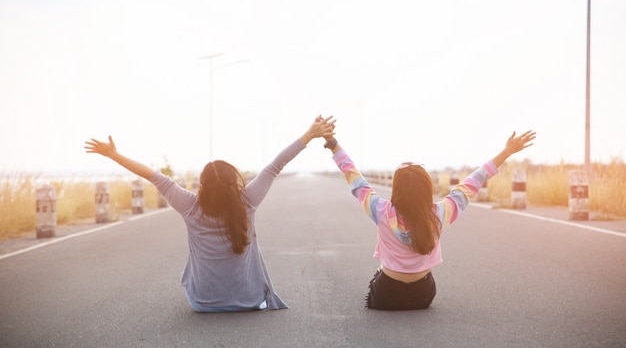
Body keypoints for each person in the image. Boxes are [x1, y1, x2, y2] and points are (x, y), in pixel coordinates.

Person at [84, 116, 335, 312]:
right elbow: (275, 166)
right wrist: (310, 135)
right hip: (249, 303)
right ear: (235, 183)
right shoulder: (248, 200)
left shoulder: (190, 205)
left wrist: (114, 155)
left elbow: (154, 176)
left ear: (201, 186)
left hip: (202, 304)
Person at [320, 127, 536, 310]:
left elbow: (354, 177)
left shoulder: (381, 210)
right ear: (427, 189)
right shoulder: (439, 214)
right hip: (423, 296)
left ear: (397, 189)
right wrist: (506, 152)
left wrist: (333, 143)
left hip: (386, 296)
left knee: (378, 273)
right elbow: (474, 180)